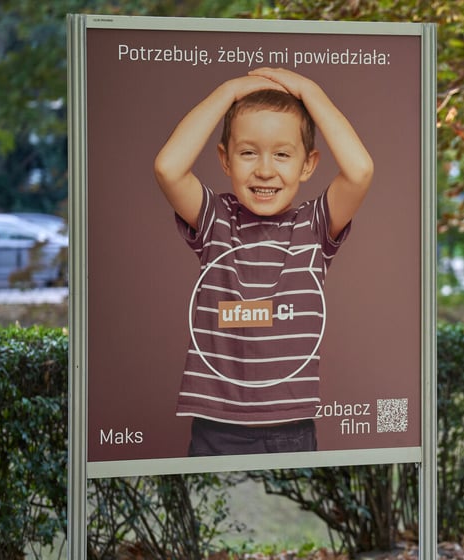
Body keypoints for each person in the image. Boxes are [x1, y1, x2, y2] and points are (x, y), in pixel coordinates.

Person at [153, 67, 374, 456]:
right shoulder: (216, 220)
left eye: (283, 154)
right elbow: (168, 168)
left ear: (308, 165)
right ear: (225, 160)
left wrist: (309, 91)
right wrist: (227, 92)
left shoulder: (313, 226)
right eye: (248, 152)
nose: (265, 170)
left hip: (291, 427)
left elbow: (360, 171)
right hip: (215, 425)